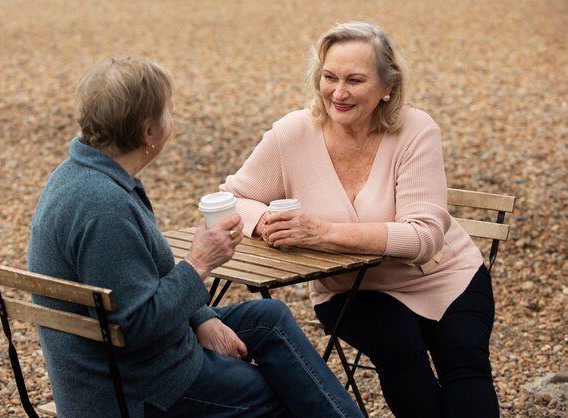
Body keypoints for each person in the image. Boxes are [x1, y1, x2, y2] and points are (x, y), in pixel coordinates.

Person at [27, 56, 365, 418]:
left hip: (131, 361)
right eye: (168, 112)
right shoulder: (104, 208)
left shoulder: (82, 173)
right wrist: (199, 262)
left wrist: (201, 316)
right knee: (288, 395)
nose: (171, 122)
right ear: (149, 132)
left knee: (270, 317)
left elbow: (143, 285)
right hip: (137, 388)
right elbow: (135, 327)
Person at [220, 21, 500, 418]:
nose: (338, 92)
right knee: (402, 356)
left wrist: (325, 232)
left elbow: (424, 239)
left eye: (355, 80)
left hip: (445, 276)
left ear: (388, 87)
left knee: (467, 369)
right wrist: (264, 220)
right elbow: (230, 197)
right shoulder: (293, 134)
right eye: (329, 77)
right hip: (352, 289)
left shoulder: (416, 130)